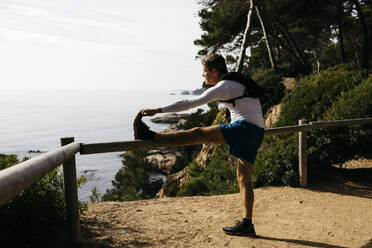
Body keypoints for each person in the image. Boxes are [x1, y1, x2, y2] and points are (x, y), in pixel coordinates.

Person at [133, 53, 264, 237]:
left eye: (204, 71)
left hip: (244, 128)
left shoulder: (224, 86)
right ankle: (247, 223)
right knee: (244, 178)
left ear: (214, 71)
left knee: (198, 133)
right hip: (257, 132)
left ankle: (152, 136)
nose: (203, 76)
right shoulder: (234, 82)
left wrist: (158, 110)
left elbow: (190, 103)